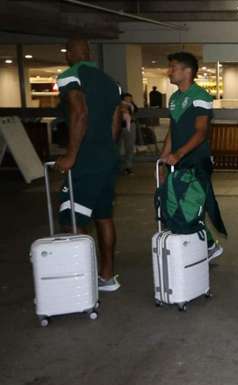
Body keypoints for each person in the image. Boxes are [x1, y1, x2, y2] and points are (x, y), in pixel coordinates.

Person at [53, 37, 123, 292]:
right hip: (107, 158)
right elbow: (116, 122)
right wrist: (108, 150)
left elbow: (79, 113)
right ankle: (107, 276)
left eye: (67, 51)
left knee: (70, 217)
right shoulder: (111, 83)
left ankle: (83, 280)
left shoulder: (70, 76)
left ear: (70, 54)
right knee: (103, 217)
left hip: (86, 160)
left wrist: (71, 155)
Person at [160, 51, 227, 259]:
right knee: (176, 203)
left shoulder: (201, 97)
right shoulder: (175, 98)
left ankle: (207, 245)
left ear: (187, 71)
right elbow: (173, 130)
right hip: (177, 160)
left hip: (196, 160)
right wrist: (163, 159)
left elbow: (201, 132)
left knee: (193, 204)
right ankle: (201, 245)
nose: (169, 71)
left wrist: (178, 154)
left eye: (173, 67)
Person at [118, 92, 138, 175]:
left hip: (130, 126)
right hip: (121, 127)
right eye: (128, 98)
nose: (130, 99)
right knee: (119, 147)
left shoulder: (131, 105)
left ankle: (128, 167)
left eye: (131, 98)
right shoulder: (120, 105)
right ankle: (119, 166)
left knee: (129, 147)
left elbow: (135, 111)